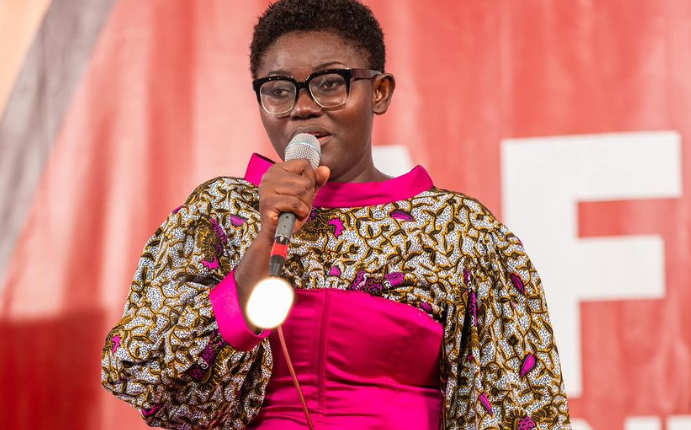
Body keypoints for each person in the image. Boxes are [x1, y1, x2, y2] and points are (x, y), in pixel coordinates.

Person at [101, 0, 571, 428]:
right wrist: (263, 240)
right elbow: (148, 378)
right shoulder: (218, 215)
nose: (303, 108)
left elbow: (516, 408)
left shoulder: (457, 230)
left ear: (379, 92)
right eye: (279, 90)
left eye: (330, 84)